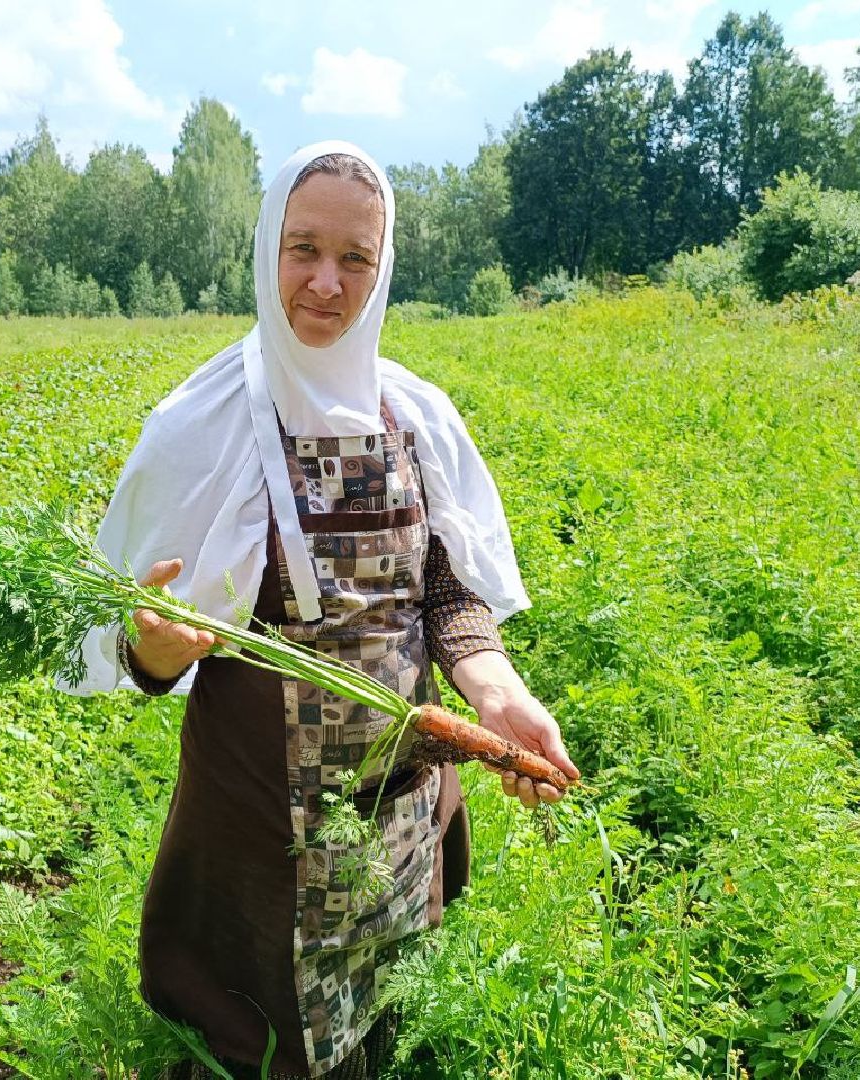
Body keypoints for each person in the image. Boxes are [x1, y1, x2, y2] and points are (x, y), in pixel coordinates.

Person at [56, 140, 578, 1079]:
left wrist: (495, 693)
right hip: (261, 815)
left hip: (399, 797)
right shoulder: (201, 426)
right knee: (257, 1035)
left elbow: (447, 589)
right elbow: (140, 642)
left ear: (385, 269)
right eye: (304, 249)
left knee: (385, 998)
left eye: (356, 258)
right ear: (267, 250)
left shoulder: (415, 418)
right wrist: (160, 655)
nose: (327, 284)